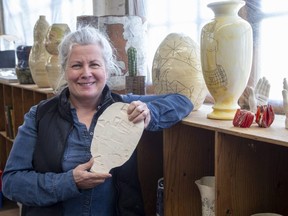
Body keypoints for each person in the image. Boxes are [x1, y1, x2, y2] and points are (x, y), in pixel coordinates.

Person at [2, 26, 193, 216]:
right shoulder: (39, 116)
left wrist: (151, 112)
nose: (86, 73)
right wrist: (69, 182)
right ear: (65, 70)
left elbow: (183, 101)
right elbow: (11, 183)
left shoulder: (124, 108)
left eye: (94, 64)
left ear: (107, 70)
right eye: (77, 65)